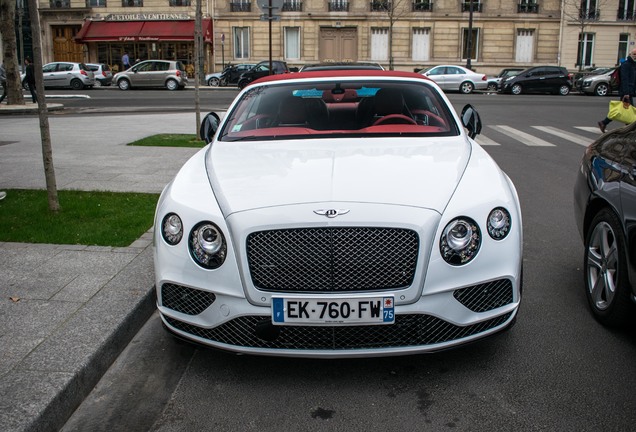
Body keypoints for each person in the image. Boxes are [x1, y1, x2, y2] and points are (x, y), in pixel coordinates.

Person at [598, 48, 636, 133]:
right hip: (626, 91)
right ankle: (629, 129)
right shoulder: (626, 65)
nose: (635, 56)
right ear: (630, 55)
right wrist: (626, 93)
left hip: (630, 91)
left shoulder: (633, 65)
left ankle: (604, 122)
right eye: (634, 54)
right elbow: (624, 79)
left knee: (625, 110)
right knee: (628, 110)